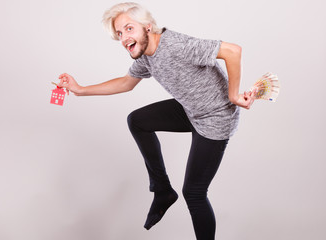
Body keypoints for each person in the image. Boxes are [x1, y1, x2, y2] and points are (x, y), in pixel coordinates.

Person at [58, 2, 256, 240]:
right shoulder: (146, 57)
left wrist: (233, 95)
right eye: (120, 33)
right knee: (138, 121)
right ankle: (162, 190)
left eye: (129, 29)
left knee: (194, 193)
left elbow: (233, 51)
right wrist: (80, 90)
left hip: (216, 117)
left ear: (147, 27)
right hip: (191, 109)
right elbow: (126, 83)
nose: (123, 38)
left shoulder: (175, 45)